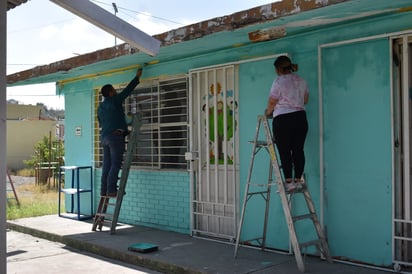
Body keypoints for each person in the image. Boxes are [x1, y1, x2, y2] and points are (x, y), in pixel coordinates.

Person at [264, 55, 309, 192]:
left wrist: (268, 112)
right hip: (300, 118)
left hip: (283, 119)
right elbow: (305, 100)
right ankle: (298, 180)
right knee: (298, 149)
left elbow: (272, 101)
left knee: (285, 151)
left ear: (278, 69)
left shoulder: (278, 81)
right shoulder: (302, 81)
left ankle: (289, 182)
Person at [98, 67, 143, 197]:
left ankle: (104, 190)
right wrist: (137, 78)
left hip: (104, 138)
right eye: (113, 90)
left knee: (107, 165)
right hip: (114, 137)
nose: (115, 91)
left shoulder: (100, 107)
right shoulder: (115, 101)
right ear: (110, 92)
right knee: (116, 164)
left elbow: (101, 121)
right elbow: (127, 91)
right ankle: (111, 190)